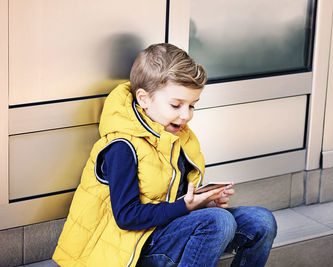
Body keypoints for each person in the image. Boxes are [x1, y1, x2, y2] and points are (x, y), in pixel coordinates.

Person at [53, 43, 277, 267]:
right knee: (219, 222)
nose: (186, 115)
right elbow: (127, 217)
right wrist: (187, 207)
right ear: (144, 99)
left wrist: (202, 203)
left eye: (192, 106)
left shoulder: (177, 136)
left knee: (261, 221)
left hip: (167, 230)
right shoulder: (123, 145)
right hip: (131, 247)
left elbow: (173, 199)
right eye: (176, 104)